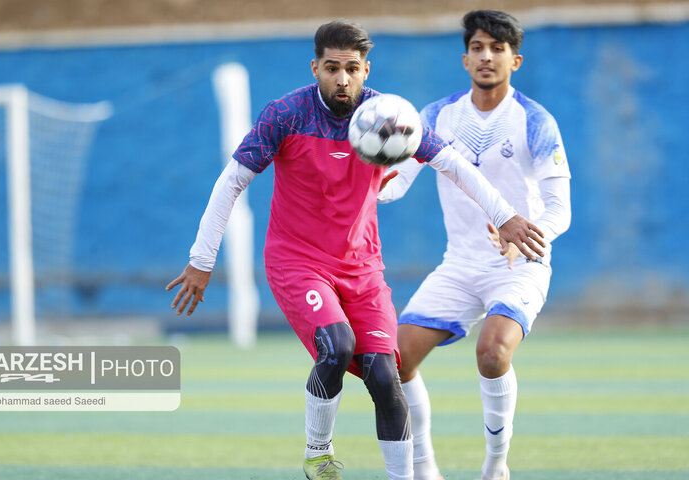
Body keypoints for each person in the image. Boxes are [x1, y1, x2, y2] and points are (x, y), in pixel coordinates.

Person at [166, 18, 545, 480]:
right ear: (315, 68)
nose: (341, 78)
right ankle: (318, 452)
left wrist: (505, 215)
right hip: (297, 262)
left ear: (366, 70)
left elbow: (454, 165)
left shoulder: (390, 117)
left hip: (362, 269)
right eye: (331, 68)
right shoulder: (284, 115)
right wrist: (201, 262)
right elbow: (231, 183)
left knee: (388, 378)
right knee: (337, 346)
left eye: (351, 68)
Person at [377, 10, 572, 480]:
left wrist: (527, 242)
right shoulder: (435, 117)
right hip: (459, 265)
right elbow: (397, 183)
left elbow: (559, 209)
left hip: (520, 263)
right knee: (394, 362)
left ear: (515, 60)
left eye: (498, 48)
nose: (487, 56)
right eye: (479, 47)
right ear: (465, 59)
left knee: (492, 351)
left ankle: (495, 466)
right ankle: (424, 469)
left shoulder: (535, 121)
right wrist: (367, 184)